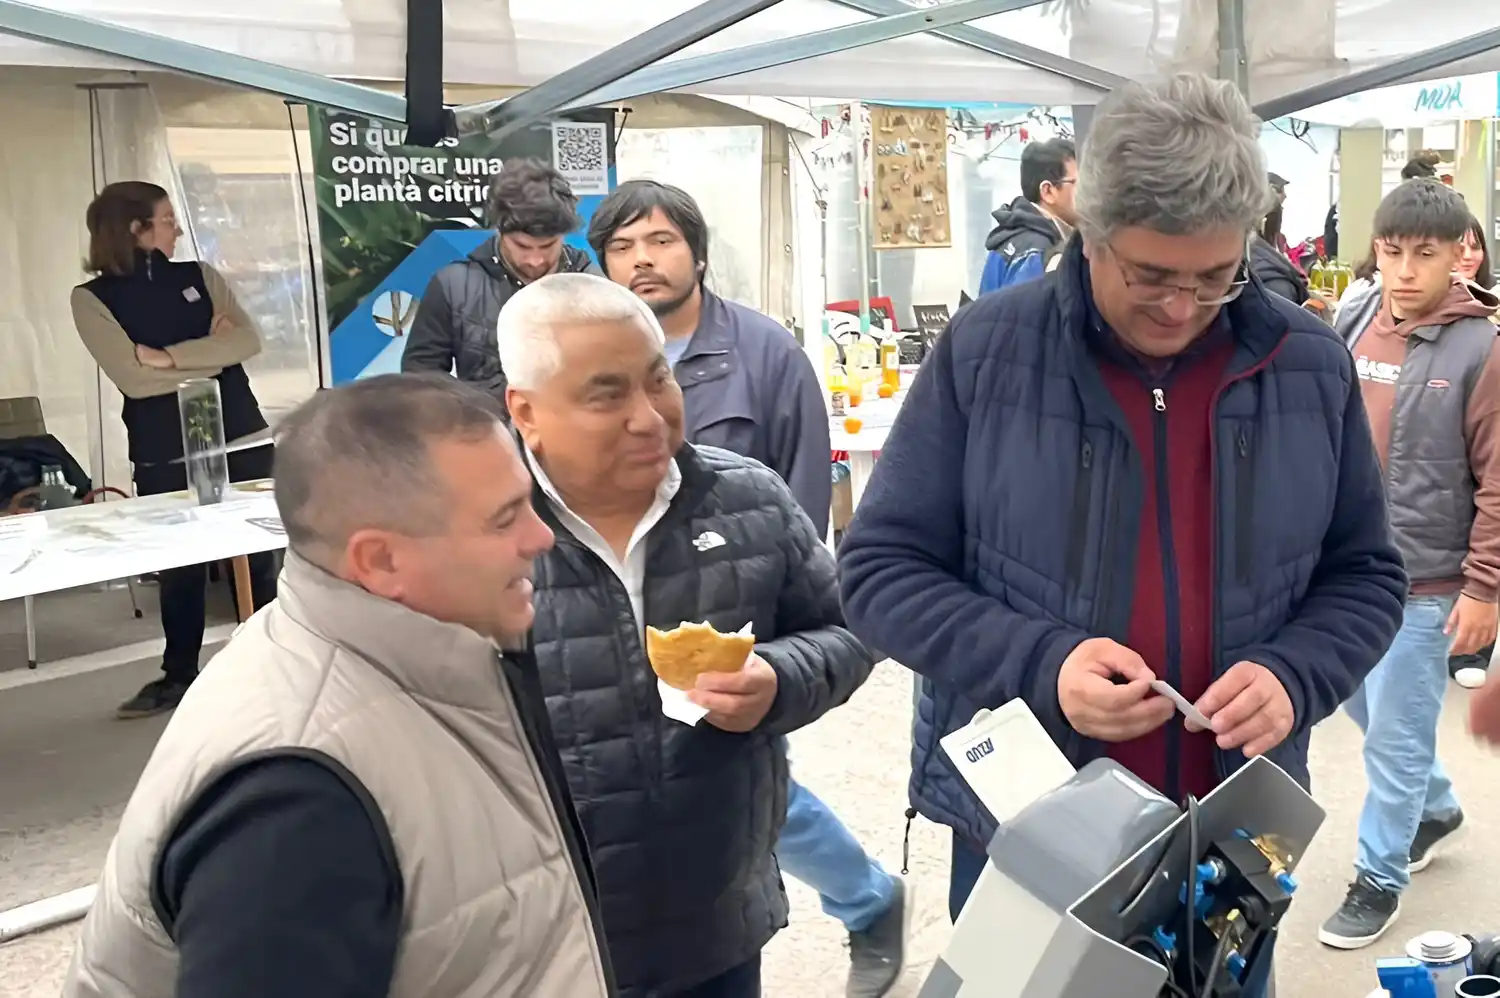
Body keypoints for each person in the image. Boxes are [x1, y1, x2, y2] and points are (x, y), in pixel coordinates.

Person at [837, 72, 1406, 963]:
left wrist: (1297, 677)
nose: (1181, 309)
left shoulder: (1309, 363)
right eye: (1150, 276)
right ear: (1087, 236)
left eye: (1214, 278)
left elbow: (1367, 574)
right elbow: (878, 573)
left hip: (1231, 831)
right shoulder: (988, 352)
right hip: (1027, 829)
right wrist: (1043, 662)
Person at [65, 374, 613, 998]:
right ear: (379, 561)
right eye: (504, 518)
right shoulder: (295, 804)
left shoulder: (442, 657)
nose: (541, 538)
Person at [500, 272, 876, 998]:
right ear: (527, 411)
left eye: (658, 381)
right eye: (607, 394)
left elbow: (850, 629)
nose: (649, 417)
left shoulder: (747, 499)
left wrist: (779, 679)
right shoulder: (480, 535)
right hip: (548, 932)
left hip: (714, 920)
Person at [587, 180, 906, 997]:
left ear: (696, 251)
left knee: (748, 796)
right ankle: (869, 898)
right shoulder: (587, 359)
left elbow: (794, 506)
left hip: (733, 639)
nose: (642, 261)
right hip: (612, 640)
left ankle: (868, 900)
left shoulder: (766, 354)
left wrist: (773, 648)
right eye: (622, 247)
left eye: (658, 241)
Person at [1319, 179, 1500, 950]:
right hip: (1346, 569)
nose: (1403, 272)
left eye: (1423, 255)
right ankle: (1435, 806)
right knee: (1360, 710)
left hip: (1428, 582)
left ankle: (1379, 878)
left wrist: (1485, 587)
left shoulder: (1483, 348)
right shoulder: (1354, 316)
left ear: (1459, 253)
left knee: (1393, 734)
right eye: (1392, 252)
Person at [72, 181, 277, 719]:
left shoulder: (200, 277)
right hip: (165, 448)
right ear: (136, 230)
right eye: (166, 220)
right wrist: (211, 354)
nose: (177, 229)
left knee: (261, 561)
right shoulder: (92, 300)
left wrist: (164, 357)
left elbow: (248, 342)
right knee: (180, 567)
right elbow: (132, 380)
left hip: (241, 435)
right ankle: (179, 674)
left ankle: (278, 666)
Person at [401, 157, 598, 396]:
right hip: (485, 426)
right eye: (522, 246)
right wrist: (471, 413)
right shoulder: (451, 285)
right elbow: (420, 376)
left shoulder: (592, 284)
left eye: (547, 246)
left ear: (564, 236)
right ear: (499, 230)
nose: (535, 260)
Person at [978, 138, 1078, 295]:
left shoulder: (1010, 236)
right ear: (1048, 191)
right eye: (1078, 183)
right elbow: (1029, 318)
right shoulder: (1038, 252)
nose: (1089, 192)